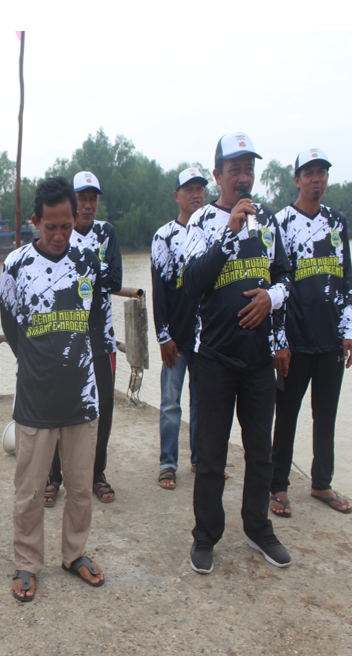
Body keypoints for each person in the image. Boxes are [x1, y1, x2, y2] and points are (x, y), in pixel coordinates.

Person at [180, 132, 293, 573]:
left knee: (260, 452)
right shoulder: (202, 221)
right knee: (211, 456)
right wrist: (229, 234)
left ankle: (258, 528)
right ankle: (206, 535)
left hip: (258, 359)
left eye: (249, 169)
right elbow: (193, 283)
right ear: (217, 176)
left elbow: (286, 275)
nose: (244, 178)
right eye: (235, 170)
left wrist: (272, 299)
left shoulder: (268, 220)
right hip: (214, 359)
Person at [1, 176, 106, 602]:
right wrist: (38, 362)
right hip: (35, 397)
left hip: (82, 396)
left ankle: (74, 553)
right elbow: (11, 325)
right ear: (35, 222)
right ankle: (27, 562)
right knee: (29, 491)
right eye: (51, 227)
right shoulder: (15, 265)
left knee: (80, 487)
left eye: (67, 225)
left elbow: (95, 320)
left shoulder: (88, 259)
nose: (60, 235)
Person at [269, 148, 352, 517]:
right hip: (294, 340)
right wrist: (279, 342)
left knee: (326, 414)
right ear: (297, 179)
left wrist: (349, 330)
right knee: (286, 415)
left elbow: (347, 279)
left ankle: (321, 482)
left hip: (330, 340)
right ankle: (278, 487)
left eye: (322, 172)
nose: (316, 179)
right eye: (309, 173)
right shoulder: (280, 224)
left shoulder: (337, 223)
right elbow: (274, 286)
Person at [47, 171, 122, 506]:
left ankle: (96, 472)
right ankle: (54, 476)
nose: (88, 205)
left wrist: (83, 274)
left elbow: (115, 278)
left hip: (101, 337)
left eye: (93, 198)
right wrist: (90, 275)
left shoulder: (106, 233)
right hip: (66, 337)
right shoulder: (61, 236)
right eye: (83, 198)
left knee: (102, 407)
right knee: (59, 405)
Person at [151, 168, 207, 489]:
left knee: (204, 401)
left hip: (207, 337)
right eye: (189, 189)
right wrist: (163, 335)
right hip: (176, 336)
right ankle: (168, 463)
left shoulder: (213, 231)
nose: (196, 194)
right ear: (177, 196)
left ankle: (201, 459)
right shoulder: (164, 236)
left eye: (200, 188)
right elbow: (159, 289)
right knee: (171, 403)